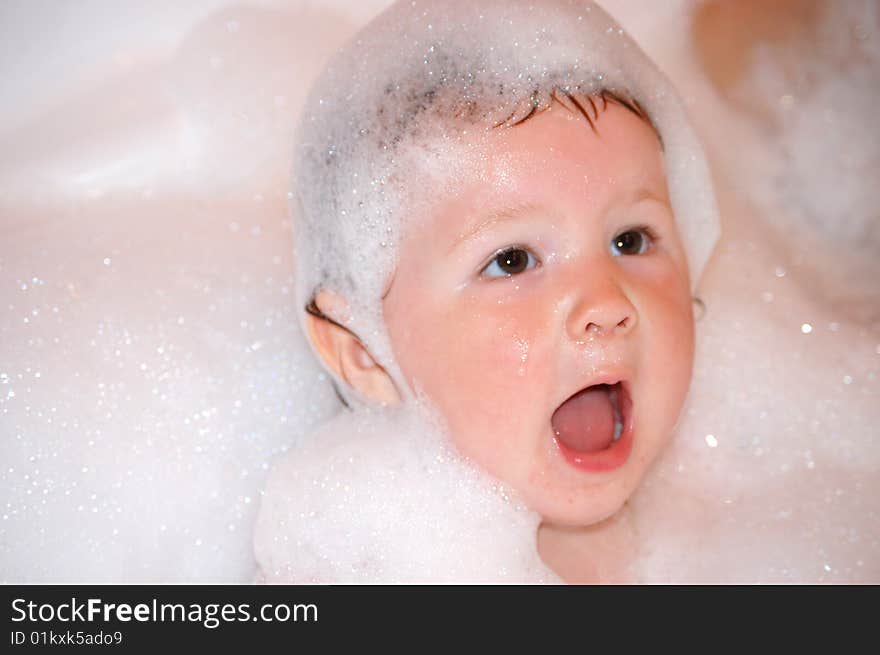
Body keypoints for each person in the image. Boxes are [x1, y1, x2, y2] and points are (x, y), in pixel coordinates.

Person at [263, 0, 720, 582]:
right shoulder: (353, 567)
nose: (607, 303)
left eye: (630, 240)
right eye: (512, 261)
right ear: (366, 354)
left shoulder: (741, 504)